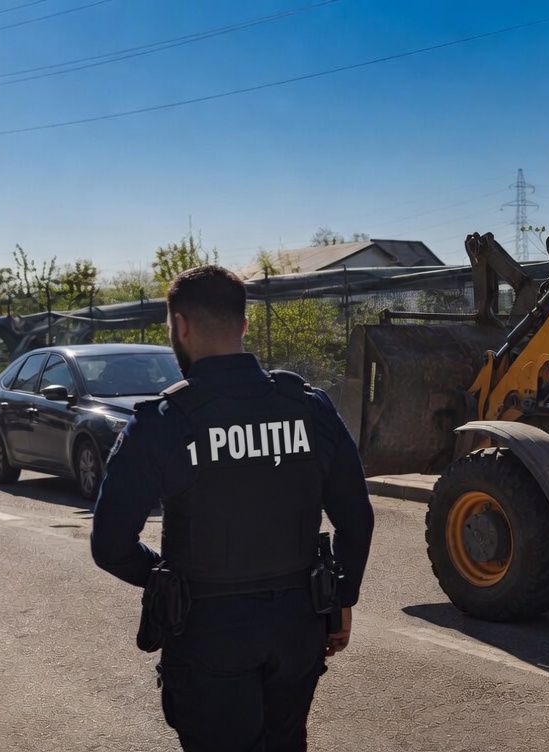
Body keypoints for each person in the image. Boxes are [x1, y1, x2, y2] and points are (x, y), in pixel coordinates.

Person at [91, 264, 374, 752]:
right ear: (243, 326)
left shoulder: (163, 422)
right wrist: (341, 599)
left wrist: (164, 578)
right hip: (299, 626)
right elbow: (356, 516)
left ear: (180, 325)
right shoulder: (309, 407)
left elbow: (110, 544)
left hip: (207, 632)